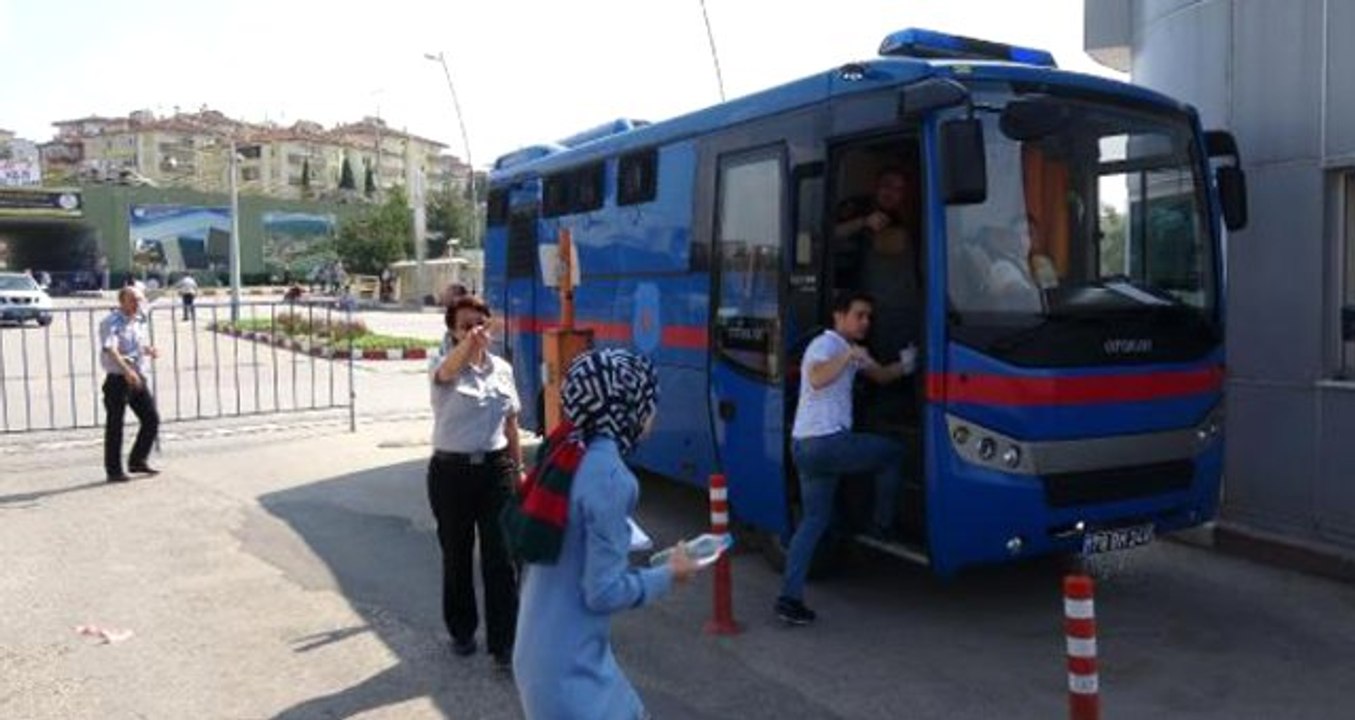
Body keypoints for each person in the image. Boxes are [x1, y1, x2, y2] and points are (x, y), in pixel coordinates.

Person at [513, 348, 698, 719]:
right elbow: (603, 592)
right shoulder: (612, 478)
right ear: (628, 405)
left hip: (541, 653)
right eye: (650, 402)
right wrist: (669, 575)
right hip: (570, 671)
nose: (653, 414)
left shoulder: (567, 449)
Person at [775, 291, 915, 626]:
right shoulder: (826, 344)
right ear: (839, 316)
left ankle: (788, 599)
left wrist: (910, 362)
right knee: (892, 453)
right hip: (826, 443)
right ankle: (881, 527)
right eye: (859, 315)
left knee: (813, 523)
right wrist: (848, 355)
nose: (866, 322)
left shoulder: (849, 350)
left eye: (869, 317)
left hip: (806, 447)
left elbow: (881, 376)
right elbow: (817, 377)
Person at [427, 295, 523, 669]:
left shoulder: (502, 368)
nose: (474, 331)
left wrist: (517, 473)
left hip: (494, 470)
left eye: (479, 324)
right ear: (452, 331)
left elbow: (511, 423)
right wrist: (468, 346)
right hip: (450, 474)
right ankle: (462, 630)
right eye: (465, 326)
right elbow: (448, 373)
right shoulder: (442, 363)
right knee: (457, 554)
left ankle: (505, 643)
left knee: (500, 558)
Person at [99, 287, 161, 483]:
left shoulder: (138, 319)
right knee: (115, 426)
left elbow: (133, 346)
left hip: (137, 376)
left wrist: (147, 350)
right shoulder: (111, 322)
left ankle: (137, 460)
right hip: (119, 378)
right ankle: (114, 470)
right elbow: (111, 349)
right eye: (133, 300)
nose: (137, 304)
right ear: (122, 301)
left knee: (151, 419)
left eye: (139, 300)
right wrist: (127, 371)